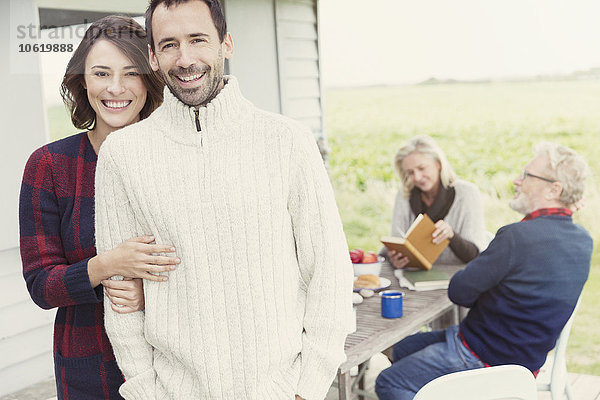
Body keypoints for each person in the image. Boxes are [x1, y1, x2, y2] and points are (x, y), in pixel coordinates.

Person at [93, 1, 354, 399]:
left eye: (198, 39)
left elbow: (330, 273)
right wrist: (147, 390)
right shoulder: (123, 154)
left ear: (226, 44)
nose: (185, 59)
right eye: (169, 44)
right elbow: (121, 291)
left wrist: (308, 388)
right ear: (153, 56)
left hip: (280, 390)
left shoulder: (287, 141)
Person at [18, 16, 179, 399]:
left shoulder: (178, 161)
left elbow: (214, 263)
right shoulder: (50, 166)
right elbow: (42, 286)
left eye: (131, 73)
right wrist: (108, 266)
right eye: (102, 73)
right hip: (89, 366)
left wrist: (153, 296)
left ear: (150, 79)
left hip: (176, 360)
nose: (116, 88)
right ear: (83, 81)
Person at [375, 142, 593, 400]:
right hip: (518, 357)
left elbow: (459, 291)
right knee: (400, 349)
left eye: (526, 176)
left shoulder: (516, 237)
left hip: (482, 355)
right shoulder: (583, 239)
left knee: (388, 382)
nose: (516, 181)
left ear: (553, 189)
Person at [383, 135, 488, 268]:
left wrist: (451, 236)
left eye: (422, 168)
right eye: (410, 172)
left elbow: (475, 255)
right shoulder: (405, 193)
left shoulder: (467, 193)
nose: (417, 177)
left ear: (438, 164)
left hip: (458, 276)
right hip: (414, 275)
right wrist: (396, 259)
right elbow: (396, 242)